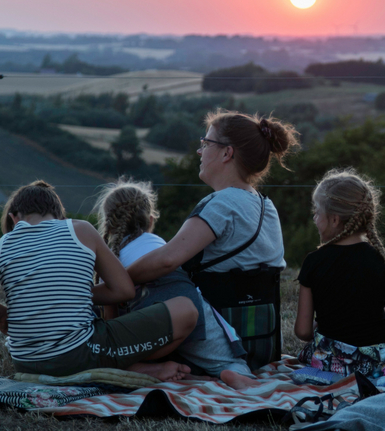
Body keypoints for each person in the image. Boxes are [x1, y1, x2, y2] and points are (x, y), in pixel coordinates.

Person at [0, 180, 197, 382]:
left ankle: (125, 367)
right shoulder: (80, 230)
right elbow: (124, 290)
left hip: (24, 361)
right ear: (59, 216)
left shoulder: (1, 245)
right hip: (78, 353)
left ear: (14, 218)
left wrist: (2, 314)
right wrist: (76, 292)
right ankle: (130, 368)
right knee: (186, 310)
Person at [123, 109, 298, 367]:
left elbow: (166, 260)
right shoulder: (264, 205)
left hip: (224, 341)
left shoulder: (221, 204)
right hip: (261, 344)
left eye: (205, 144)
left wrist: (119, 282)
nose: (199, 151)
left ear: (227, 153)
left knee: (165, 277)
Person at [93, 178, 258, 389]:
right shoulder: (159, 244)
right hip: (187, 300)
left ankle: (157, 370)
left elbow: (111, 326)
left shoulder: (112, 260)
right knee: (226, 360)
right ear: (150, 220)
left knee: (127, 350)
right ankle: (235, 373)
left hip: (148, 319)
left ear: (108, 223)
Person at [294, 168, 385, 378]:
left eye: (316, 211)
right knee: (383, 310)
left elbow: (303, 332)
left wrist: (321, 322)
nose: (314, 217)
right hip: (379, 364)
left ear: (334, 220)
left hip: (330, 364)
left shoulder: (313, 262)